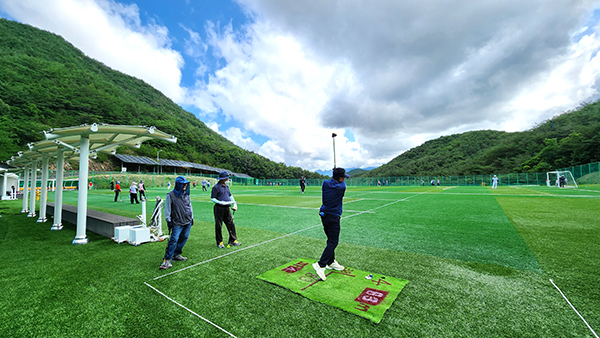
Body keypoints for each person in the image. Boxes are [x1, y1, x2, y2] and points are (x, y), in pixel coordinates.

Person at [312, 167, 349, 281]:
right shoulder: (342, 187)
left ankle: (331, 262)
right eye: (343, 177)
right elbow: (339, 184)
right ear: (340, 178)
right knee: (333, 241)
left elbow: (330, 181)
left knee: (330, 239)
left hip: (324, 215)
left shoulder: (325, 183)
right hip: (333, 216)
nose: (344, 180)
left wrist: (335, 173)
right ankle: (321, 264)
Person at [160, 176, 194, 270]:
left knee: (184, 237)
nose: (185, 185)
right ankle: (168, 259)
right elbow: (167, 209)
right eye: (183, 184)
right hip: (176, 222)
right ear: (179, 185)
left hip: (187, 221)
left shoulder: (186, 194)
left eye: (186, 184)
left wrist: (192, 218)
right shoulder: (170, 195)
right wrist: (168, 220)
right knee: (173, 239)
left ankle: (177, 254)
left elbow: (190, 206)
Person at [211, 171, 240, 248]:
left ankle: (233, 240)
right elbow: (212, 198)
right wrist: (220, 202)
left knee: (231, 224)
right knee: (219, 225)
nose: (228, 178)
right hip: (219, 208)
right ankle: (220, 242)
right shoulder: (216, 187)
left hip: (227, 208)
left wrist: (234, 204)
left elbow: (230, 196)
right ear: (223, 179)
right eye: (227, 177)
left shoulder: (226, 187)